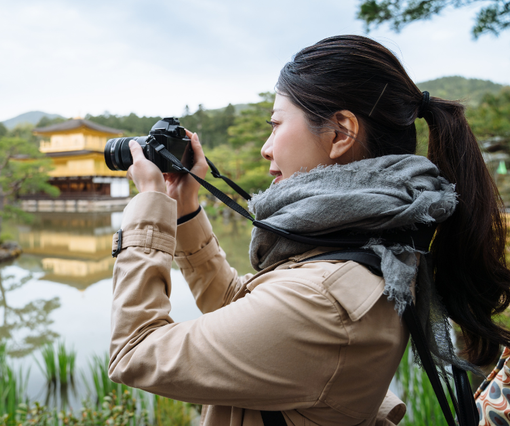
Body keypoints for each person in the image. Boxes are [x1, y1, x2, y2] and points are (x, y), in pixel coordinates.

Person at [107, 35, 510, 425]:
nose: (266, 147)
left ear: (340, 134)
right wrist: (185, 208)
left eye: (276, 124)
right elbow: (241, 310)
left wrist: (149, 205)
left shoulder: (324, 296)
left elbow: (134, 352)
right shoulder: (378, 244)